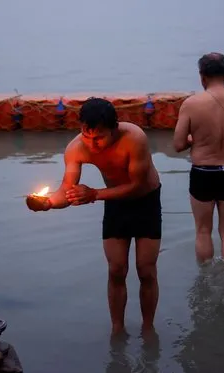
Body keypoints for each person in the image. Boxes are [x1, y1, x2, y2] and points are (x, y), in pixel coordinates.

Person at [25, 97, 163, 335]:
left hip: (145, 201)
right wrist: (47, 204)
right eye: (86, 136)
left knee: (146, 269)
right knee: (116, 270)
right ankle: (117, 329)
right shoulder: (76, 148)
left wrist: (95, 194)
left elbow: (137, 186)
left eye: (98, 137)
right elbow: (66, 192)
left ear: (114, 128)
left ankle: (148, 327)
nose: (92, 143)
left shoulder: (134, 138)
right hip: (114, 201)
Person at [172, 52, 224, 264]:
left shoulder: (191, 104)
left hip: (203, 172)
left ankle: (205, 279)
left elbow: (178, 144)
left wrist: (196, 140)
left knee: (202, 231)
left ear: (202, 76)